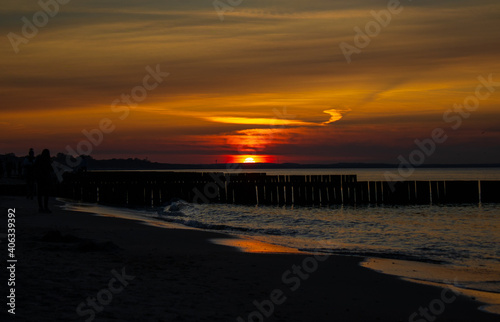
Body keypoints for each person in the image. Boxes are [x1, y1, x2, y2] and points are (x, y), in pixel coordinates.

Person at [34, 149, 53, 213]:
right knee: (46, 194)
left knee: (39, 194)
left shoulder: (38, 159)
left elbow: (35, 168)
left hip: (39, 178)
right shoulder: (47, 160)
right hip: (46, 179)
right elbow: (51, 169)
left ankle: (40, 207)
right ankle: (45, 207)